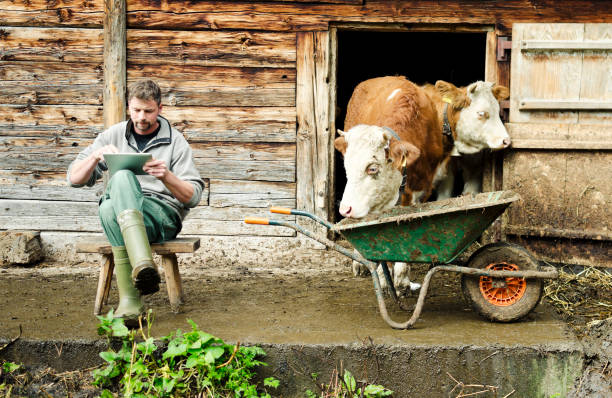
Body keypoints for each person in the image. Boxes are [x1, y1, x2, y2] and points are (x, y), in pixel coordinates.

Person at [67, 79, 204, 321]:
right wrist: (95, 157)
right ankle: (143, 268)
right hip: (123, 216)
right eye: (136, 110)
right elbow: (74, 179)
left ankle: (131, 299)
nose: (142, 117)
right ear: (129, 107)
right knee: (112, 200)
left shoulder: (176, 141)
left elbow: (193, 197)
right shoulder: (113, 135)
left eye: (149, 111)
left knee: (116, 189)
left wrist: (167, 177)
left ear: (160, 109)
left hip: (160, 216)